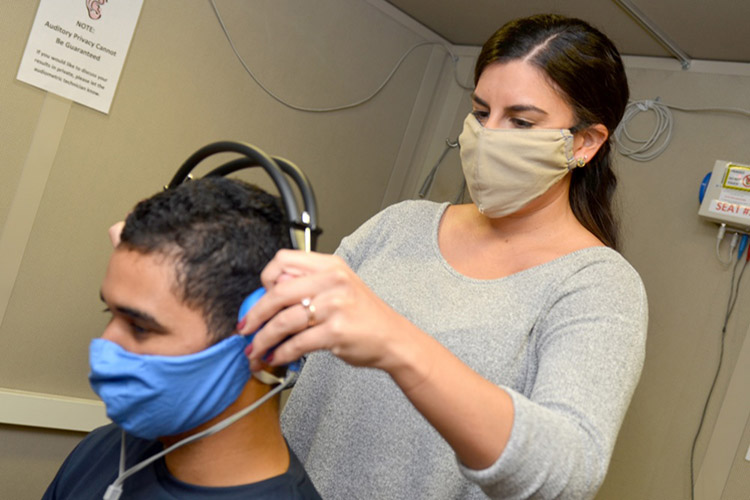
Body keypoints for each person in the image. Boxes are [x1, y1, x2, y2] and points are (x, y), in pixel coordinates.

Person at [239, 14, 647, 500]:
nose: (488, 135)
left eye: (520, 121)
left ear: (585, 142)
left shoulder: (597, 285)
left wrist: (397, 343)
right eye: (480, 112)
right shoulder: (400, 226)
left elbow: (566, 473)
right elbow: (286, 352)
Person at [44, 178, 321, 499]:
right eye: (110, 313)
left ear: (266, 337)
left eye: (141, 327)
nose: (105, 345)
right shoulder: (101, 452)